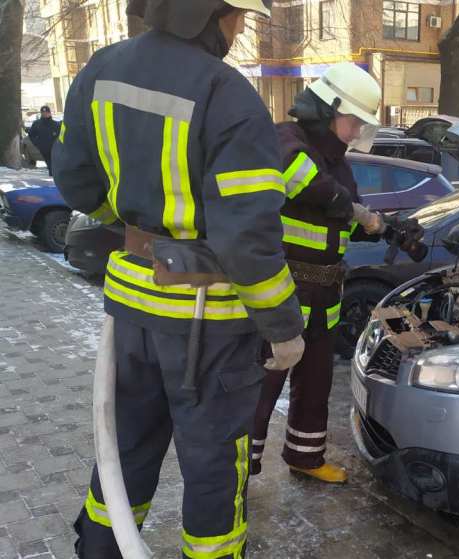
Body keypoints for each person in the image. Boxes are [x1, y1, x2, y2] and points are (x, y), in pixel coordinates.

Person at [52, 1, 306, 557]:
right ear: (206, 13)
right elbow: (246, 239)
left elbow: (73, 179)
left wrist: (135, 226)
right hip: (207, 326)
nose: (240, 29)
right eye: (237, 15)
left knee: (124, 454)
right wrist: (284, 328)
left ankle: (99, 550)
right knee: (214, 470)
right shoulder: (227, 92)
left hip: (130, 308)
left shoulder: (100, 69)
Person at [250, 63, 413, 483]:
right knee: (261, 386)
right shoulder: (287, 140)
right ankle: (237, 469)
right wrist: (355, 210)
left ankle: (305, 457)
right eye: (353, 119)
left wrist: (388, 227)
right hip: (284, 292)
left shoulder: (338, 163)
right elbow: (305, 183)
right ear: (328, 109)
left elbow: (347, 215)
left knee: (316, 383)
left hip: (324, 295)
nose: (357, 130)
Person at [28, 106, 61, 176]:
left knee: (56, 164)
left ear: (49, 113)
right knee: (50, 165)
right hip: (44, 148)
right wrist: (37, 143)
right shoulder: (37, 124)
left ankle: (55, 176)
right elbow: (31, 135)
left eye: (46, 112)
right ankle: (52, 176)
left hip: (55, 148)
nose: (45, 114)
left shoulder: (55, 124)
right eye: (43, 113)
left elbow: (60, 135)